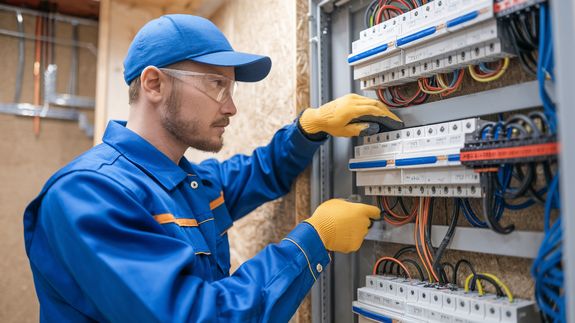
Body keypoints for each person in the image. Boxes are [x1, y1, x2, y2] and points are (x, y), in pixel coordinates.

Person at [23, 14, 403, 322]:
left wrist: (308, 129)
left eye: (231, 88)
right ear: (154, 83)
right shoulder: (88, 195)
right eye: (216, 84)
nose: (231, 107)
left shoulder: (189, 184)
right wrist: (313, 241)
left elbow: (262, 171)